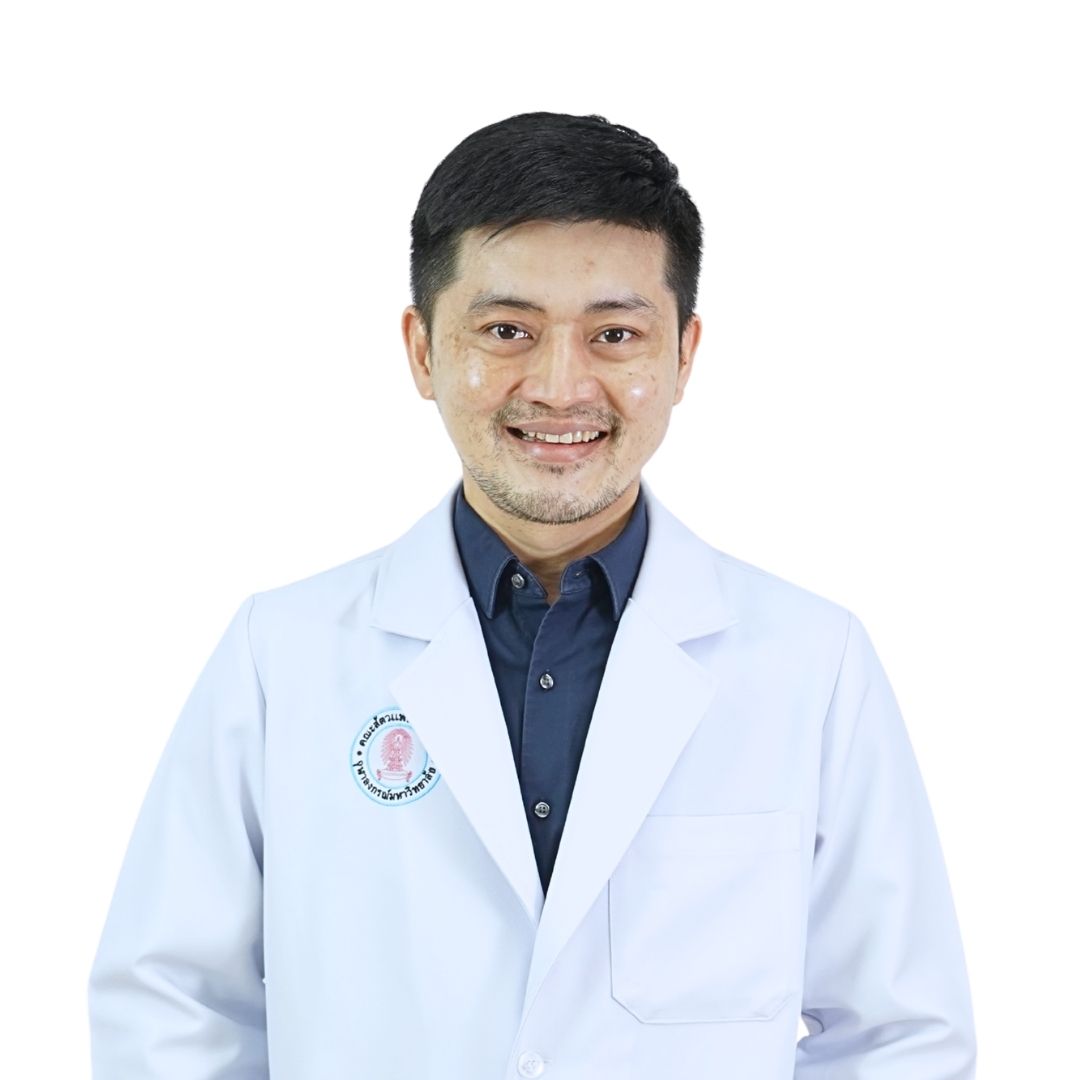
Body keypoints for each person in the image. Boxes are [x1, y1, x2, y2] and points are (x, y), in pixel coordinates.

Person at [87, 111, 977, 1078]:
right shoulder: (284, 653)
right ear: (423, 350)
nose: (559, 386)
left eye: (615, 334)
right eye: (507, 330)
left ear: (683, 355)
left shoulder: (811, 663)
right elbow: (170, 1006)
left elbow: (899, 1037)